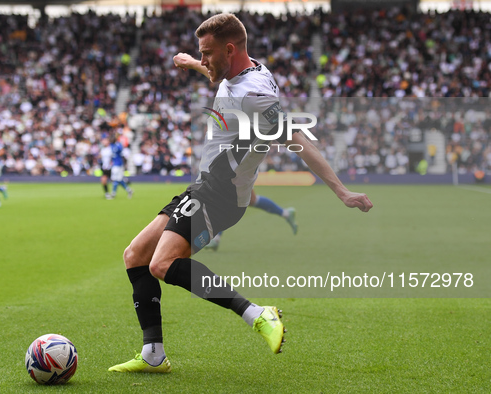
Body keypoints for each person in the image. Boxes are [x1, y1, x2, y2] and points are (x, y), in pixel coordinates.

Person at [108, 13, 373, 373]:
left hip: (219, 194)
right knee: (135, 255)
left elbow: (297, 137)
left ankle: (257, 314)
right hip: (204, 187)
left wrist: (341, 191)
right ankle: (154, 355)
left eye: (206, 53)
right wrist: (194, 64)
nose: (203, 60)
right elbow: (222, 81)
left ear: (229, 49)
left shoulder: (255, 95)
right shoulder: (239, 74)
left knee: (161, 264)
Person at [206, 189, 297, 251]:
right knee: (252, 200)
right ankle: (286, 213)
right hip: (239, 167)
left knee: (226, 200)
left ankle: (216, 238)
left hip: (239, 168)